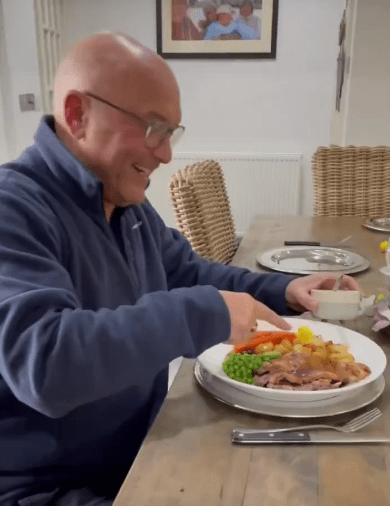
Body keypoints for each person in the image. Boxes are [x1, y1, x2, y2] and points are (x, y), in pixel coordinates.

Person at [0, 32, 360, 506]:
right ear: (76, 114)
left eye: (171, 133)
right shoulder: (15, 208)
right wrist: (198, 314)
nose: (166, 153)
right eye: (153, 127)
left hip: (143, 451)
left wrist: (287, 290)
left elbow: (190, 273)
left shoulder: (126, 206)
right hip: (50, 489)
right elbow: (44, 363)